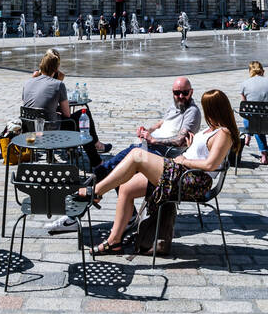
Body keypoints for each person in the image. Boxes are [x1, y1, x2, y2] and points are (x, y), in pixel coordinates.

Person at [78, 89, 237, 257]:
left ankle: (96, 191)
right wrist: (188, 150)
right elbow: (201, 155)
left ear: (214, 108)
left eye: (206, 108)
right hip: (181, 172)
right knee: (126, 187)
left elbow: (210, 165)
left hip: (193, 181)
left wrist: (184, 161)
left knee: (137, 156)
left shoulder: (224, 133)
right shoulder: (211, 129)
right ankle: (114, 242)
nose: (204, 112)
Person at [93, 77, 200, 181]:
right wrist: (147, 131)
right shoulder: (175, 105)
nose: (180, 96)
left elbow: (180, 140)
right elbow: (161, 123)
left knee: (130, 157)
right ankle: (102, 178)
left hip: (166, 154)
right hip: (153, 146)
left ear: (191, 92)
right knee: (127, 156)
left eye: (185, 93)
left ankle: (98, 178)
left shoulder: (192, 111)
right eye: (177, 93)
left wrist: (153, 140)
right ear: (172, 92)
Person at [238, 60, 268, 165]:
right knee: (261, 119)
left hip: (252, 122)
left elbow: (244, 107)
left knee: (255, 120)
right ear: (262, 70)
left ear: (250, 71)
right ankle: (265, 153)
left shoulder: (244, 84)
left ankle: (250, 137)